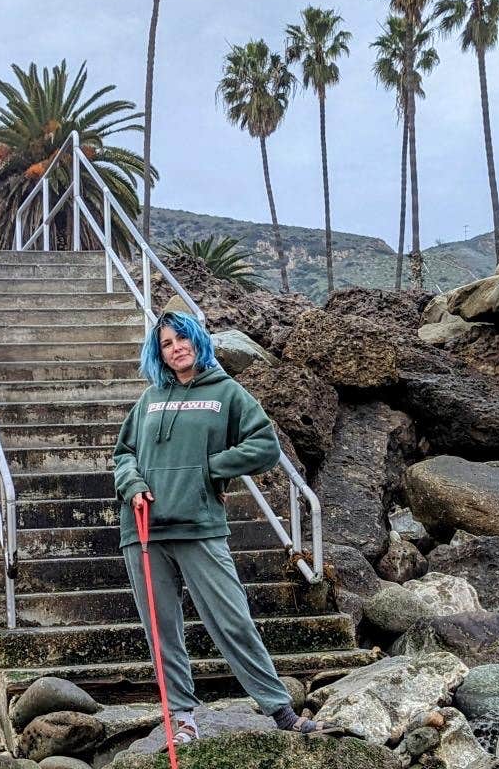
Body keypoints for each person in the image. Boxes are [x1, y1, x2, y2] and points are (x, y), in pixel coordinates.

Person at [112, 296, 334, 739]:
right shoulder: (150, 399)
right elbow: (124, 454)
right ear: (159, 353)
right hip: (143, 530)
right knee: (161, 629)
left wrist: (209, 469)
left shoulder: (226, 393)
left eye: (182, 339)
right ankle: (182, 718)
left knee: (232, 620)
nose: (176, 348)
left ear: (198, 340)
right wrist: (132, 484)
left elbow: (264, 446)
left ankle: (282, 713)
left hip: (199, 525)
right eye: (166, 343)